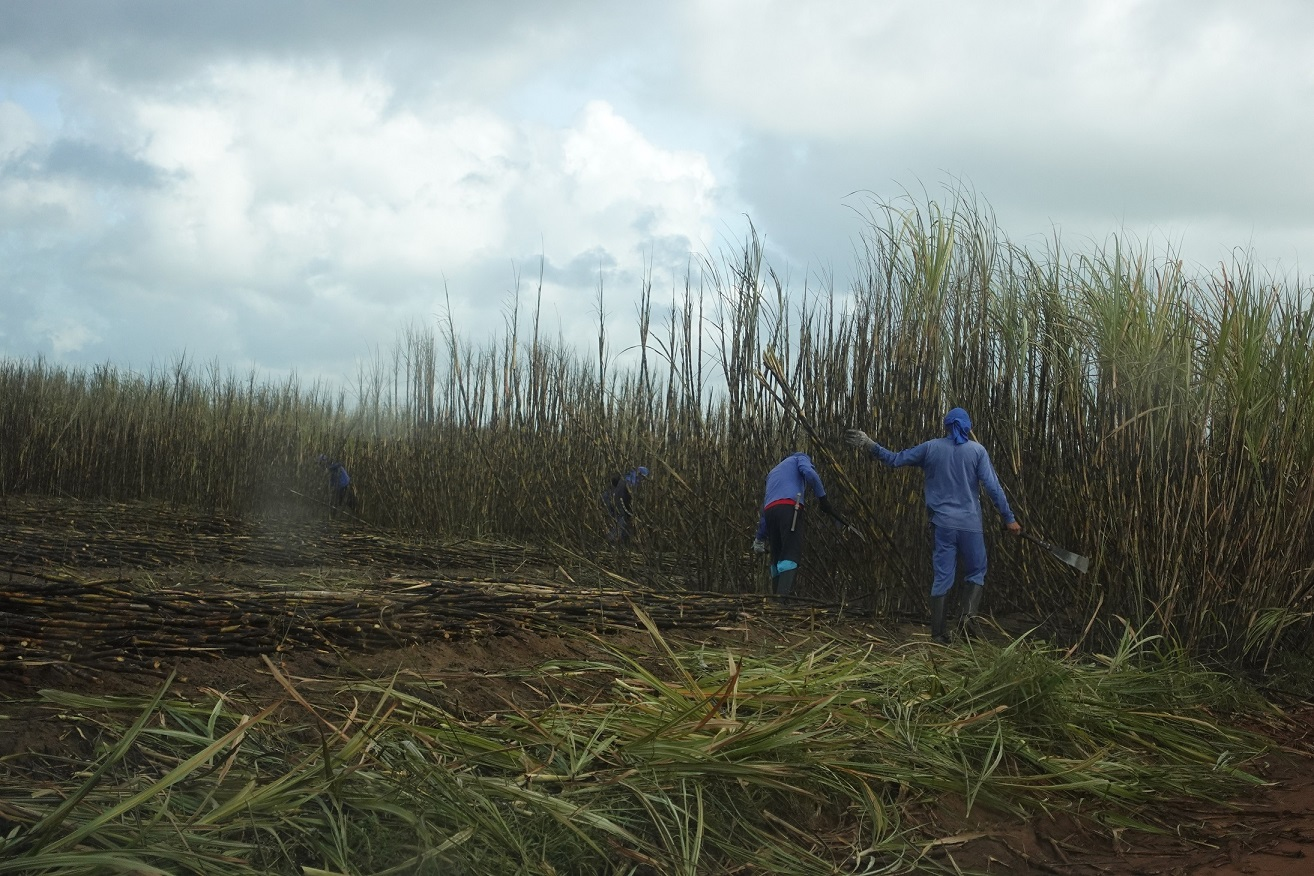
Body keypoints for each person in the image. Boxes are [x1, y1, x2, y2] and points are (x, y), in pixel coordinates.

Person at [845, 408, 1021, 644]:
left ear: (945, 426)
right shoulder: (977, 451)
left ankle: (938, 634)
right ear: (968, 427)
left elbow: (895, 459)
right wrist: (1009, 518)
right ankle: (966, 624)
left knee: (942, 577)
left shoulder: (930, 448)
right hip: (970, 524)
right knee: (976, 572)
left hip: (943, 524)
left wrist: (869, 444)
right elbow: (993, 487)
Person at [752, 451, 849, 598]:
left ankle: (776, 601)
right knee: (790, 553)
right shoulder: (799, 458)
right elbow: (809, 473)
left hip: (770, 511)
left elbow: (765, 510)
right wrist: (823, 499)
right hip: (790, 507)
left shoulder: (773, 472)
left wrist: (759, 539)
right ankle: (782, 602)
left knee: (776, 555)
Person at [603, 466, 649, 545]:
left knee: (619, 522)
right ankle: (612, 541)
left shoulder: (626, 477)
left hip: (614, 501)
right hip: (620, 503)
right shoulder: (632, 481)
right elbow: (626, 495)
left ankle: (615, 542)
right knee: (621, 522)